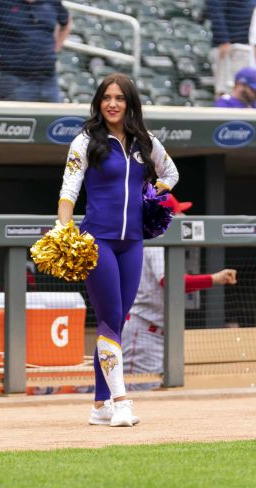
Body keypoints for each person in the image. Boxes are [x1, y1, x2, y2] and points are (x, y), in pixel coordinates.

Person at [56, 73, 180, 427]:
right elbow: (69, 188)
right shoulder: (86, 141)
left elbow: (171, 173)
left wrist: (152, 195)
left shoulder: (145, 142)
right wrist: (63, 227)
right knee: (110, 319)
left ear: (130, 103)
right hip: (98, 241)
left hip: (133, 243)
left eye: (119, 98)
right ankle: (122, 401)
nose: (113, 103)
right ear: (98, 103)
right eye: (106, 97)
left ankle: (99, 405)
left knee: (116, 322)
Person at [123, 239, 236, 386]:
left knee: (153, 391)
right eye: (177, 215)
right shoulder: (156, 243)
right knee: (138, 392)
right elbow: (170, 281)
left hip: (156, 334)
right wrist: (212, 278)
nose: (182, 217)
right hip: (143, 333)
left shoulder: (161, 242)